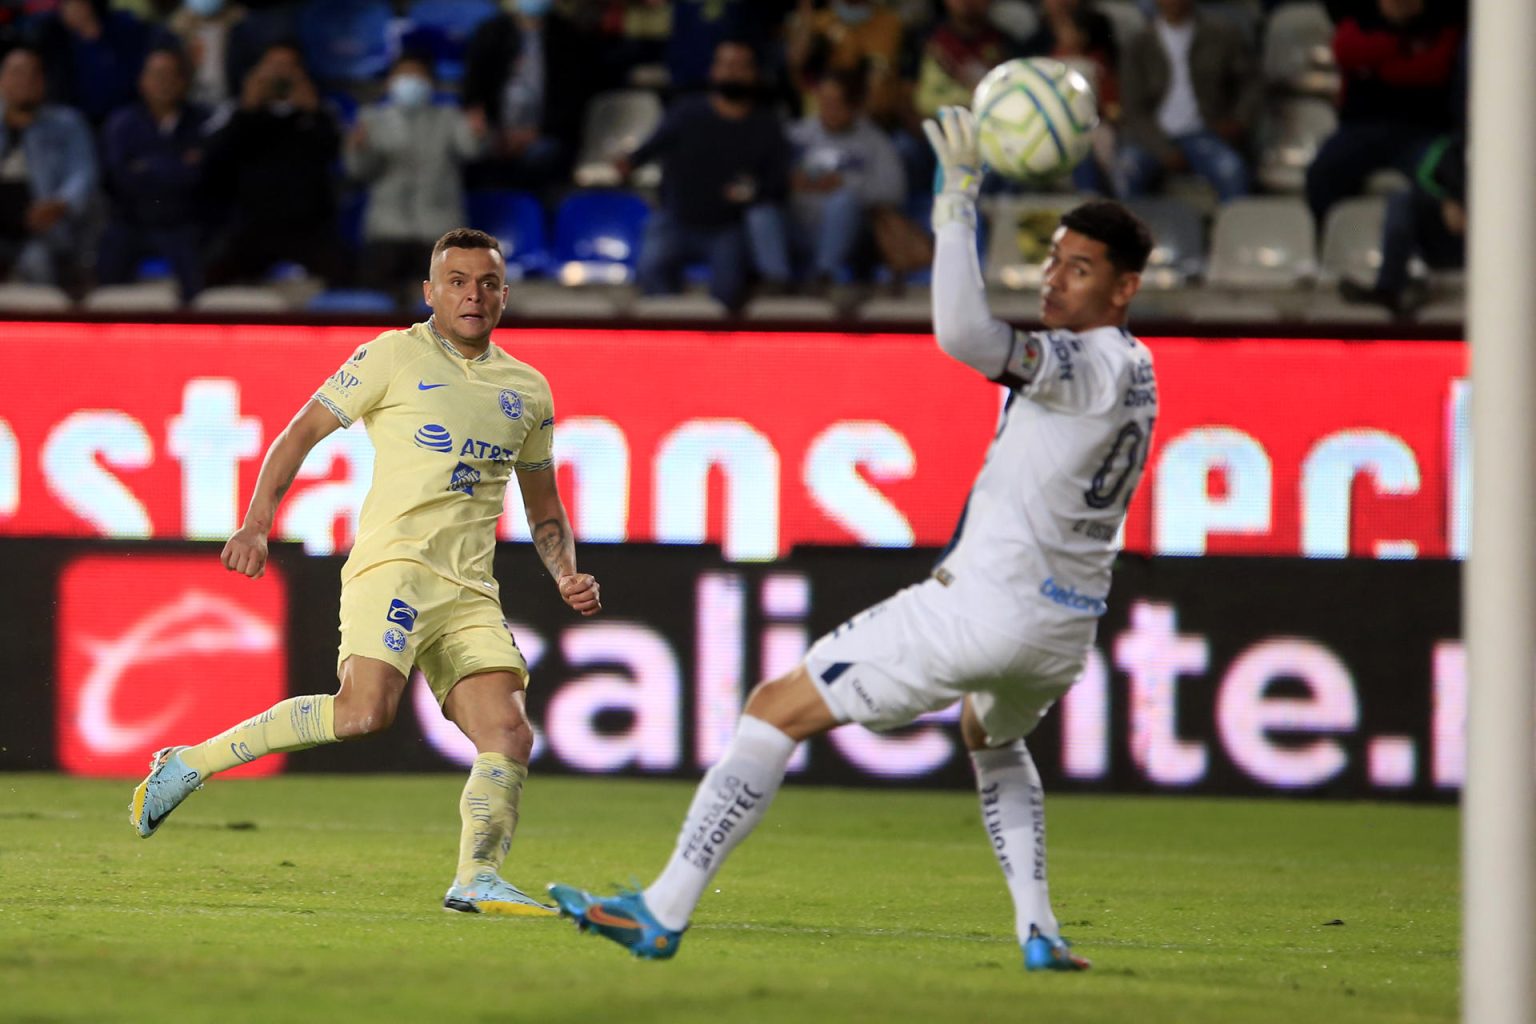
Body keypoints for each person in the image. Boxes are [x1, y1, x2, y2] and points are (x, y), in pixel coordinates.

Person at [549, 107, 1156, 971]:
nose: (1057, 281)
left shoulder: (1083, 365)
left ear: (1123, 289)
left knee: (771, 709)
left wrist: (956, 202)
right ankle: (1038, 929)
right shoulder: (1138, 368)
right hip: (1063, 633)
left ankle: (661, 909)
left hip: (982, 608)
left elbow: (963, 336)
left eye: (1082, 269)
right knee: (994, 739)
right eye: (1055, 260)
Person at [130, 228, 603, 918]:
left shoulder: (527, 389)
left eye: (488, 283)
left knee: (509, 733)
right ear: (430, 292)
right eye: (458, 281)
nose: (473, 295)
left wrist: (566, 573)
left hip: (470, 588)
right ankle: (188, 764)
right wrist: (258, 522)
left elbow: (542, 502)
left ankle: (475, 877)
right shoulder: (391, 355)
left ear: (505, 293)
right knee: (363, 712)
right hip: (395, 566)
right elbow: (301, 433)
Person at [623, 38, 792, 311]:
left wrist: (751, 192)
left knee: (728, 291)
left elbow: (777, 183)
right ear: (713, 71)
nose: (732, 73)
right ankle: (669, 332)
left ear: (754, 74)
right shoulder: (686, 112)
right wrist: (627, 163)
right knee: (650, 267)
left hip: (726, 227)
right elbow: (648, 150)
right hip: (676, 219)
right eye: (726, 65)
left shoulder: (767, 125)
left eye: (741, 67)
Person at [200, 40, 348, 287]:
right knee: (210, 274)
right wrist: (247, 109)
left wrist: (313, 112)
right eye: (274, 65)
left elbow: (338, 157)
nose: (281, 73)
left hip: (308, 227)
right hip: (251, 225)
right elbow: (212, 160)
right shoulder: (238, 111)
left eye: (288, 66)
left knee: (345, 277)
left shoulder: (322, 112)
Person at [1305, 0, 1463, 224]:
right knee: (1322, 173)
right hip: (1360, 130)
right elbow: (1346, 51)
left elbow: (1434, 69)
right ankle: (1328, 238)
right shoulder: (1360, 18)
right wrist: (1404, 48)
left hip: (1424, 132)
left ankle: (1433, 250)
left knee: (1443, 176)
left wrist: (1375, 67)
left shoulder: (1443, 24)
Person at [347, 53, 487, 305]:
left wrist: (477, 133)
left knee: (444, 300)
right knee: (376, 298)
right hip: (387, 229)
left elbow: (472, 151)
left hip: (439, 228)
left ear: (431, 83)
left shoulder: (449, 116)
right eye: (403, 75)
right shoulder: (371, 119)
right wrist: (359, 149)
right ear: (389, 83)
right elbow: (358, 171)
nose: (410, 81)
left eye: (417, 75)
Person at [1115, 0, 1262, 203]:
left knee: (1231, 170)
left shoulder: (1223, 34)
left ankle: (1234, 232)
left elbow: (1251, 85)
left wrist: (1238, 121)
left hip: (1206, 133)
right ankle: (1133, 233)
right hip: (1154, 137)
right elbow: (1134, 108)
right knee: (1126, 169)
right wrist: (1163, 150)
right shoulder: (1139, 44)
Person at [97, 45, 210, 301]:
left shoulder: (202, 121)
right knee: (110, 255)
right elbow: (120, 178)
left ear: (183, 82)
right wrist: (177, 166)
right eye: (157, 75)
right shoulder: (122, 123)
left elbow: (203, 176)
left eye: (171, 76)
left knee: (197, 263)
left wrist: (147, 167)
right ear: (142, 81)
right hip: (132, 220)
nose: (164, 83)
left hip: (183, 222)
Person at [782, 69, 906, 291]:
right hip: (798, 229)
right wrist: (791, 181)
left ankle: (824, 274)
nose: (827, 109)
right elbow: (768, 180)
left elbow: (894, 190)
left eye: (835, 103)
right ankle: (775, 279)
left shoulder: (874, 141)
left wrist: (844, 184)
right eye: (823, 101)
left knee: (844, 200)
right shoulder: (796, 135)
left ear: (854, 105)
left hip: (852, 235)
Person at [0, 46, 97, 289]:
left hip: (43, 226)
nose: (24, 81)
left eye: (32, 75)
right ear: (2, 80)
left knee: (37, 264)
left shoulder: (67, 123)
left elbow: (83, 172)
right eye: (16, 73)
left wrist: (60, 203)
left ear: (42, 82)